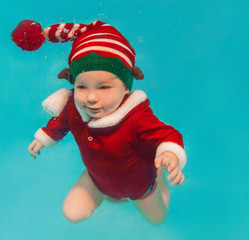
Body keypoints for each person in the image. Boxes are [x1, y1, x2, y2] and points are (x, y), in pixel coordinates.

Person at [11, 20, 187, 225]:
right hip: (98, 179)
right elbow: (60, 124)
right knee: (72, 213)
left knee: (157, 219)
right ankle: (105, 188)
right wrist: (44, 137)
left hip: (140, 185)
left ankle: (158, 179)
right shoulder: (74, 107)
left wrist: (169, 154)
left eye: (104, 87)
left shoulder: (137, 116)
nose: (91, 98)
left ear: (126, 88)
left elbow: (167, 134)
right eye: (82, 87)